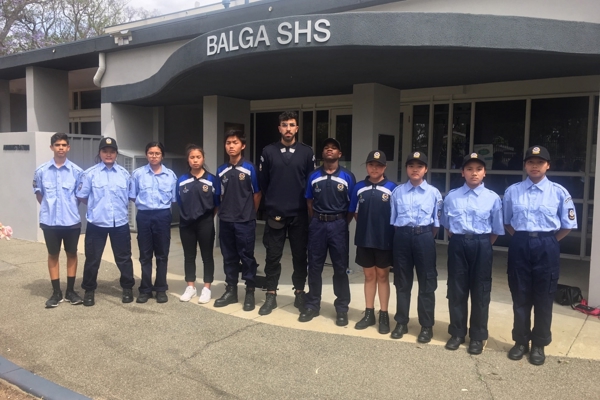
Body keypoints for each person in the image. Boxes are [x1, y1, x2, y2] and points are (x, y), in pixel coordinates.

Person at [503, 145, 577, 365]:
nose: (534, 166)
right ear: (525, 165)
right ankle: (520, 341)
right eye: (530, 162)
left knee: (544, 297)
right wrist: (524, 238)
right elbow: (507, 222)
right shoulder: (513, 191)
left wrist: (549, 241)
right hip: (520, 243)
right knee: (520, 295)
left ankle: (539, 344)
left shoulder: (559, 192)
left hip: (547, 244)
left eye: (539, 162)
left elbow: (568, 225)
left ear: (548, 165)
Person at [441, 153, 504, 354]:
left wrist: (480, 243)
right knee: (456, 290)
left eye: (478, 169)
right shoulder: (452, 197)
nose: (474, 173)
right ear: (462, 172)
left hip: (482, 244)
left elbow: (496, 229)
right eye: (469, 169)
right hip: (458, 244)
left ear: (484, 173)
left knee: (481, 291)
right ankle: (457, 333)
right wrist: (462, 240)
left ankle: (478, 335)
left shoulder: (493, 198)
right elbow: (447, 225)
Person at [257, 111, 315, 315]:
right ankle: (271, 295)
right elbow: (263, 182)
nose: (288, 128)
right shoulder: (268, 151)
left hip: (299, 214)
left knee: (300, 256)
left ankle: (299, 292)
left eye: (291, 125)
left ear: (297, 128)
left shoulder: (306, 152)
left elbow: (310, 182)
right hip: (276, 213)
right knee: (273, 256)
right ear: (279, 128)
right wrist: (275, 200)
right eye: (284, 125)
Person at [300, 138, 356, 326]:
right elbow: (309, 202)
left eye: (333, 148)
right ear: (322, 153)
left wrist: (340, 222)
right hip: (317, 224)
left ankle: (342, 308)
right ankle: (312, 305)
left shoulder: (348, 176)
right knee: (314, 266)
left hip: (338, 225)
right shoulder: (313, 176)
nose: (329, 150)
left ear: (340, 154)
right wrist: (317, 219)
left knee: (340, 268)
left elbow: (351, 206)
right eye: (326, 148)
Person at [389, 152, 442, 342]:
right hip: (402, 237)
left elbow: (436, 224)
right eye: (411, 166)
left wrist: (422, 234)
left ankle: (426, 326)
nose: (415, 169)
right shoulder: (397, 192)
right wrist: (407, 234)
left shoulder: (434, 193)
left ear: (425, 169)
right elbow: (394, 220)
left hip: (424, 237)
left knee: (427, 282)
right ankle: (401, 322)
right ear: (406, 169)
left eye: (419, 166)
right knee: (402, 281)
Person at [77, 137, 135, 306]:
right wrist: (96, 208)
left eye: (112, 152)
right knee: (92, 259)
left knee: (124, 258)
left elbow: (130, 196)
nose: (108, 154)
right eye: (105, 151)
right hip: (97, 223)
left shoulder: (125, 174)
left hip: (120, 223)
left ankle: (127, 287)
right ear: (100, 153)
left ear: (116, 154)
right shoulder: (90, 174)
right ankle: (89, 290)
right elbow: (82, 196)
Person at [33, 133, 84, 308]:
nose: (60, 148)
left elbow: (79, 197)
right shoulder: (41, 171)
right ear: (51, 147)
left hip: (71, 221)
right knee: (53, 254)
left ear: (68, 147)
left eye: (63, 145)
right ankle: (56, 292)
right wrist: (49, 209)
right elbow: (39, 195)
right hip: (50, 222)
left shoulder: (77, 172)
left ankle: (70, 291)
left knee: (72, 253)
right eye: (57, 145)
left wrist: (69, 208)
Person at [349, 150, 396, 334]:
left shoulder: (392, 188)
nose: (374, 168)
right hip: (365, 239)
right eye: (371, 165)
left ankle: (383, 314)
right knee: (369, 276)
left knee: (383, 276)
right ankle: (369, 313)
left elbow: (395, 214)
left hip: (385, 240)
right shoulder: (359, 187)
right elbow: (355, 213)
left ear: (384, 167)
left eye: (378, 165)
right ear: (367, 166)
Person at [214, 130, 261, 311]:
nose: (231, 146)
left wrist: (249, 213)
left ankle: (250, 291)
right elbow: (219, 195)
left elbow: (257, 194)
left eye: (235, 142)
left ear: (243, 146)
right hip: (226, 220)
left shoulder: (249, 168)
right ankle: (231, 291)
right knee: (229, 257)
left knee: (247, 256)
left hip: (245, 221)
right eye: (228, 143)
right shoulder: (221, 170)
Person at [129, 142, 177, 304]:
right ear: (146, 155)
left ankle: (161, 288)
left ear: (162, 156)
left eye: (157, 153)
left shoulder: (170, 175)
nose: (154, 156)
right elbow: (133, 195)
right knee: (145, 254)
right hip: (144, 216)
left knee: (162, 254)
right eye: (151, 153)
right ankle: (145, 289)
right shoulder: (138, 174)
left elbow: (173, 198)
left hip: (163, 216)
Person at [176, 144, 220, 304]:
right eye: (192, 157)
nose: (195, 160)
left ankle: (207, 288)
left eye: (198, 157)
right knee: (189, 256)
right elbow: (179, 201)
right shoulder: (182, 180)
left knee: (207, 256)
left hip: (205, 223)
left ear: (203, 159)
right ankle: (191, 287)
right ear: (188, 160)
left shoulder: (212, 179)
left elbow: (217, 203)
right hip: (186, 224)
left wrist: (206, 217)